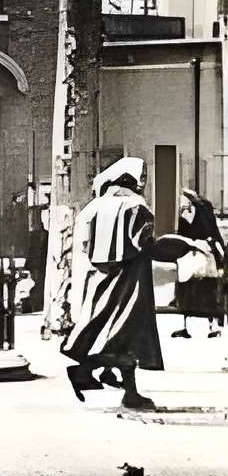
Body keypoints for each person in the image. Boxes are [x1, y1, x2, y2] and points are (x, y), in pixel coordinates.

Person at [63, 157, 164, 411]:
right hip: (132, 280)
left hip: (101, 280)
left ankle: (130, 392)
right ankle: (84, 371)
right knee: (126, 333)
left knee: (109, 329)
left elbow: (84, 245)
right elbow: (144, 242)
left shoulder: (93, 208)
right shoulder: (137, 208)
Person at [172, 187, 227, 339]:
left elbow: (212, 232)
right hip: (192, 255)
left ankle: (211, 326)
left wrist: (218, 249)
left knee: (205, 289)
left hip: (203, 254)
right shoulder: (189, 214)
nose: (183, 208)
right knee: (189, 289)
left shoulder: (203, 211)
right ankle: (190, 326)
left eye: (185, 205)